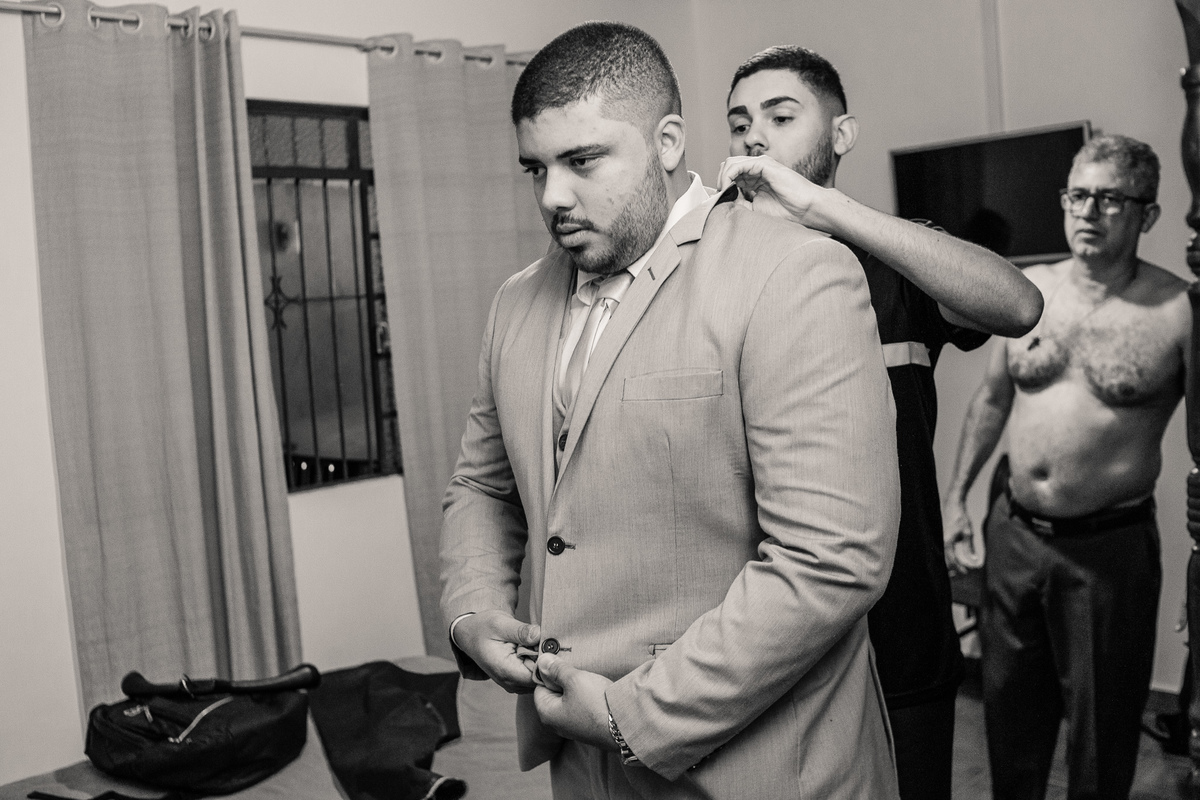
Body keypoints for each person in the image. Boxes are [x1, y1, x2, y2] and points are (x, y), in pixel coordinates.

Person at [440, 21, 902, 799]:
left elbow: (829, 561)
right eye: (536, 168)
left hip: (764, 770)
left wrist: (633, 715)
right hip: (581, 766)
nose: (552, 196)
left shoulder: (795, 273)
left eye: (583, 161)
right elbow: (483, 486)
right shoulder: (516, 302)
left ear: (667, 142)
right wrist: (474, 613)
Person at [718, 45, 1043, 800]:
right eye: (739, 123)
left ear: (842, 135)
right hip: (763, 637)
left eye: (780, 116)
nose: (754, 136)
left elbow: (1018, 304)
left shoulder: (894, 260)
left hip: (902, 624)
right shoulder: (715, 269)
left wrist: (823, 209)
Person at [942, 134, 1191, 800]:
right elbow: (992, 399)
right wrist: (957, 496)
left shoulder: (1178, 310)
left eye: (1109, 199)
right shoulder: (1030, 293)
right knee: (1009, 716)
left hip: (1109, 550)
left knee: (1101, 731)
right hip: (1015, 536)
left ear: (1147, 214)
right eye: (1077, 195)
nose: (1088, 211)